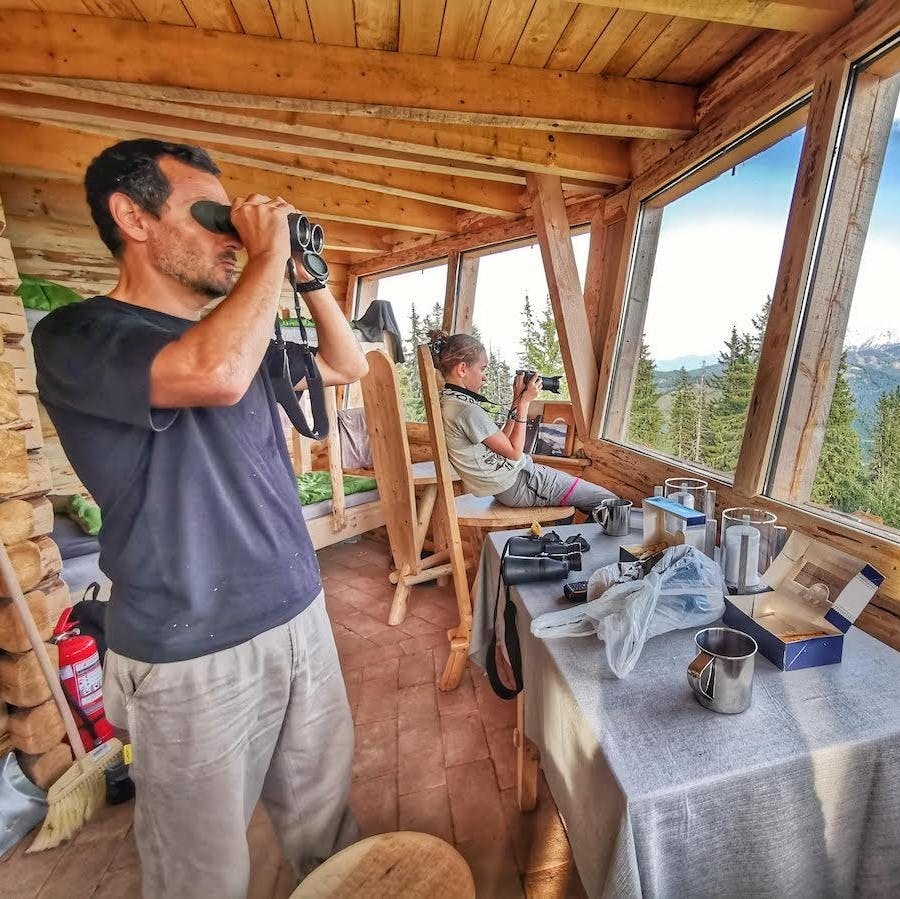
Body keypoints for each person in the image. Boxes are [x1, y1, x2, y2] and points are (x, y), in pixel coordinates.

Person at [31, 139, 368, 898]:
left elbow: (348, 364)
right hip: (190, 655)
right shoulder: (79, 335)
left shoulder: (242, 334)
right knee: (200, 876)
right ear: (132, 216)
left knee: (329, 833)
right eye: (209, 214)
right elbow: (209, 374)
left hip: (300, 618)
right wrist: (266, 253)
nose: (230, 233)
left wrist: (307, 274)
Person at [428, 330, 617, 513]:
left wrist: (517, 400)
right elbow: (514, 452)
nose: (484, 376)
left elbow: (502, 440)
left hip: (512, 481)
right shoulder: (466, 410)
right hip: (520, 483)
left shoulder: (452, 401)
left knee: (579, 500)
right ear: (462, 369)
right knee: (608, 501)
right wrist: (526, 403)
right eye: (482, 369)